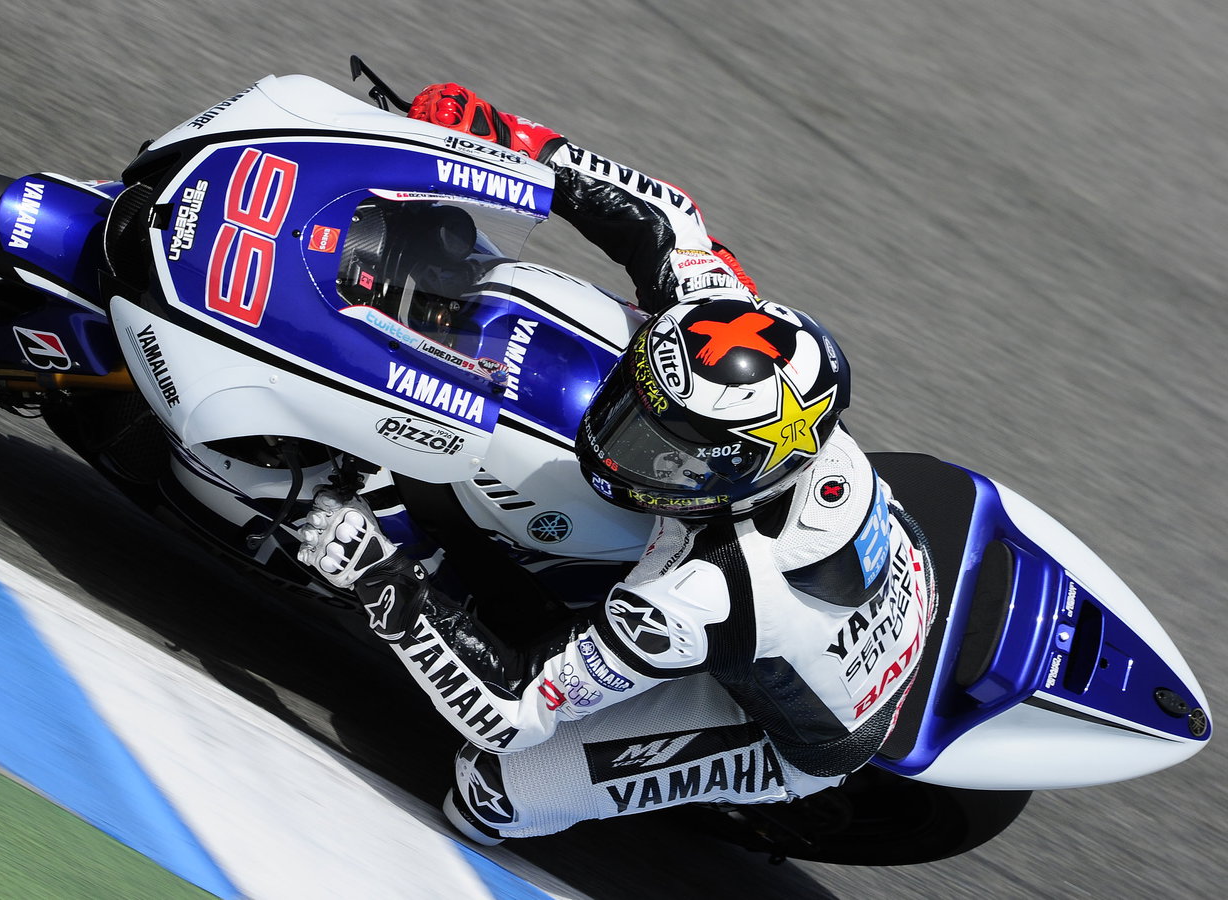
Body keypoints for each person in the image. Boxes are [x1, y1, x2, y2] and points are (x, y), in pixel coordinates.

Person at [296, 83, 935, 844]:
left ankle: (695, 784)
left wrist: (379, 577)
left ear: (739, 474)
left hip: (809, 727)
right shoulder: (722, 333)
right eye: (635, 409)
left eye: (660, 451)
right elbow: (665, 217)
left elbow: (514, 713)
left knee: (490, 794)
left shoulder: (696, 591)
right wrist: (505, 137)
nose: (616, 443)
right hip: (886, 559)